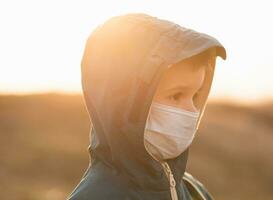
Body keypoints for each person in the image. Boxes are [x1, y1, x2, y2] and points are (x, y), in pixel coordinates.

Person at [67, 13, 227, 200]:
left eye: (196, 95)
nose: (192, 110)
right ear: (127, 103)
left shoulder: (194, 191)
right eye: (176, 95)